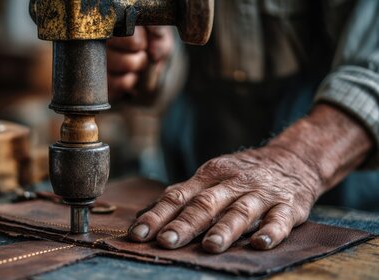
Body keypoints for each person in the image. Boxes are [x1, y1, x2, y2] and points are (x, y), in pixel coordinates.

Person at [107, 0, 379, 254]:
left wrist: (297, 162)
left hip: (348, 180)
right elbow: (179, 50)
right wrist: (150, 60)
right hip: (201, 163)